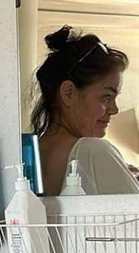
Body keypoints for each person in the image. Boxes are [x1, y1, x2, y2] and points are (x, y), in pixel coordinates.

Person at [32, 25, 139, 196]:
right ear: (69, 93)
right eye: (106, 96)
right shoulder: (94, 151)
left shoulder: (27, 156)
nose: (114, 110)